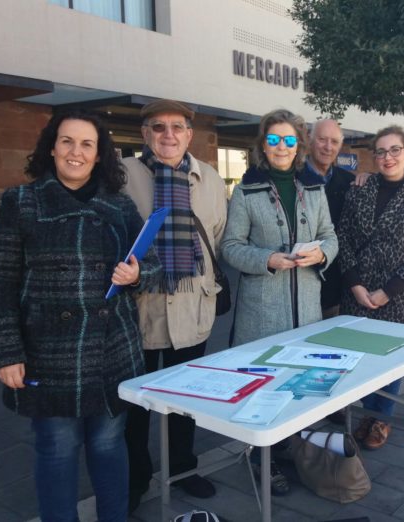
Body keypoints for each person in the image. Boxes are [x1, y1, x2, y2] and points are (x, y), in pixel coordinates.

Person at [0, 110, 161, 522]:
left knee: (109, 444)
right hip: (49, 353)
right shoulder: (20, 202)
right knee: (57, 449)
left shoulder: (119, 204)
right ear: (52, 147)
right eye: (67, 141)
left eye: (86, 144)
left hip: (111, 350)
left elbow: (152, 265)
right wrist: (7, 352)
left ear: (99, 155)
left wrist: (137, 274)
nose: (75, 152)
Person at [221, 108, 338, 494]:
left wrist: (321, 253)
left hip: (307, 310)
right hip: (262, 313)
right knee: (264, 389)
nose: (282, 147)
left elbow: (330, 236)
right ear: (263, 144)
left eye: (289, 140)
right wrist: (267, 259)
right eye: (273, 139)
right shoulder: (246, 191)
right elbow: (231, 247)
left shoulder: (314, 189)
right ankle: (260, 459)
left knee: (298, 387)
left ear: (299, 145)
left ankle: (293, 450)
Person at [122, 99, 227, 511]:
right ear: (145, 133)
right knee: (135, 405)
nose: (168, 134)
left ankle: (183, 468)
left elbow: (217, 234)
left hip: (192, 309)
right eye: (159, 126)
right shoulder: (122, 175)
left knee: (186, 399)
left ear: (189, 134)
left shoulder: (210, 178)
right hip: (141, 311)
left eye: (177, 127)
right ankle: (135, 478)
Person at [338, 124, 404, 450]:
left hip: (397, 296)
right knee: (361, 360)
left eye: (395, 150)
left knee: (391, 361)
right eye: (381, 151)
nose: (387, 157)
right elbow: (343, 238)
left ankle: (382, 420)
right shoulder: (358, 190)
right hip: (358, 292)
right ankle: (369, 414)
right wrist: (355, 284)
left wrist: (389, 291)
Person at [304, 118, 369, 318]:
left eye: (334, 141)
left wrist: (372, 179)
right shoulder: (291, 178)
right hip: (297, 287)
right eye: (322, 139)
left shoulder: (352, 183)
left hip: (336, 290)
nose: (328, 147)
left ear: (340, 146)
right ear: (310, 140)